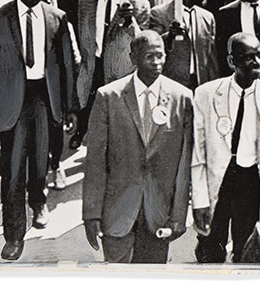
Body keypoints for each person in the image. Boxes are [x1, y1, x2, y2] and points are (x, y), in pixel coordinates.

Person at [0, 0, 78, 261]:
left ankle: (39, 199)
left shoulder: (56, 17)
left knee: (42, 158)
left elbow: (65, 63)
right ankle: (13, 234)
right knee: (13, 168)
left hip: (44, 98)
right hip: (12, 101)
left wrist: (69, 106)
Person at [83, 30, 194, 264]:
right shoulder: (108, 96)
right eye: (149, 57)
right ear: (133, 58)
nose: (156, 63)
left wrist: (179, 216)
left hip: (158, 214)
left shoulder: (182, 98)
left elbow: (185, 165)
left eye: (160, 56)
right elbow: (95, 161)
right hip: (117, 212)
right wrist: (91, 214)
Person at [191, 33, 260, 264]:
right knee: (210, 248)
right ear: (231, 62)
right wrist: (199, 200)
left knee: (246, 248)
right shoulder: (206, 94)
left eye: (259, 55)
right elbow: (198, 153)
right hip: (220, 178)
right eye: (248, 57)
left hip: (250, 180)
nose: (257, 62)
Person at [75, 0, 152, 138]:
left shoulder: (139, 4)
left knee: (121, 128)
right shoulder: (86, 2)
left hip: (121, 73)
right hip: (93, 71)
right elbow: (84, 40)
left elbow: (143, 43)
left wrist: (129, 21)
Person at [147, 0, 219, 90]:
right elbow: (153, 44)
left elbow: (211, 56)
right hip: (172, 83)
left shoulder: (207, 17)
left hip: (199, 83)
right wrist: (170, 36)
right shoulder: (159, 13)